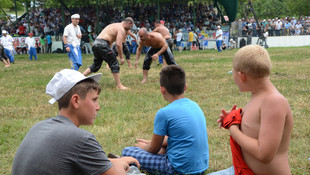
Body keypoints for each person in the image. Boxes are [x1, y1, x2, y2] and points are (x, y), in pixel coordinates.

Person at [12, 69, 140, 175]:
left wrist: (112, 162)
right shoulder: (81, 139)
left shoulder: (39, 126)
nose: (98, 106)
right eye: (94, 100)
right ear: (76, 101)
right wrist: (123, 164)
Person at [209, 45, 293, 175]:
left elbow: (264, 154)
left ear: (242, 76)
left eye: (233, 73)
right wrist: (232, 119)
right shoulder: (258, 96)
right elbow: (254, 128)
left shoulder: (273, 101)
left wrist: (233, 128)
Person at [122, 65, 209, 175]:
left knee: (127, 151)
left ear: (162, 90)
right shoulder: (195, 105)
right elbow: (181, 137)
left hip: (177, 169)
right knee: (163, 148)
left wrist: (143, 147)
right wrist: (151, 142)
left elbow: (153, 149)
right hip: (201, 166)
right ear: (185, 87)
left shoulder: (164, 113)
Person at [83, 17, 134, 90]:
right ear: (129, 23)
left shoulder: (114, 25)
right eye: (131, 26)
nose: (130, 29)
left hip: (96, 43)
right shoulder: (121, 29)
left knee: (96, 64)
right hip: (102, 44)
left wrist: (110, 50)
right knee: (114, 63)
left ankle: (82, 76)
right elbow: (119, 44)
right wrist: (121, 57)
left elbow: (110, 41)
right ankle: (119, 86)